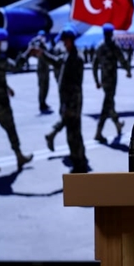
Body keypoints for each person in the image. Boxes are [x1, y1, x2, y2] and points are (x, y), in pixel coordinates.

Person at [0, 28, 33, 176]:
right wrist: (27, 52)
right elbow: (16, 67)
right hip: (0, 102)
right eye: (4, 41)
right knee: (11, 128)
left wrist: (7, 87)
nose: (6, 43)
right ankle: (19, 156)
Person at [40, 25, 90, 173]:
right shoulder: (68, 55)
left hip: (72, 101)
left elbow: (73, 85)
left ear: (69, 40)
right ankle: (79, 158)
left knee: (73, 134)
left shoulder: (75, 58)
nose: (62, 43)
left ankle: (79, 164)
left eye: (64, 40)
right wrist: (42, 54)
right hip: (68, 101)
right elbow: (56, 61)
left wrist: (67, 105)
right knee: (73, 132)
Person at [91, 23, 132, 144]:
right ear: (112, 33)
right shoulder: (114, 46)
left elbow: (94, 65)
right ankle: (98, 132)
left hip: (104, 80)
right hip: (112, 80)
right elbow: (122, 60)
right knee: (107, 104)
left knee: (110, 102)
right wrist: (128, 70)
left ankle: (118, 124)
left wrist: (96, 80)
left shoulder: (99, 46)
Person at [31, 30, 54, 114]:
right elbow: (34, 49)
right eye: (41, 36)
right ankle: (41, 103)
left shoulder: (45, 45)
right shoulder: (38, 45)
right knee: (42, 87)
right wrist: (38, 41)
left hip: (46, 69)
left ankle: (44, 102)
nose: (43, 38)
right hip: (41, 70)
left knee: (46, 86)